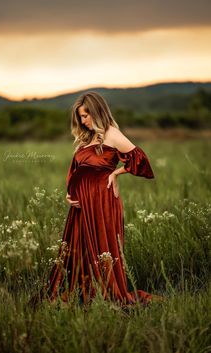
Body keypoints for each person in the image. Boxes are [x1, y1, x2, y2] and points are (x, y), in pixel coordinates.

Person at [30, 91, 164, 309]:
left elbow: (140, 160)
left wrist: (116, 174)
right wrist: (69, 194)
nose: (83, 121)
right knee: (78, 248)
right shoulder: (87, 137)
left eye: (86, 115)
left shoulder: (111, 133)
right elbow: (77, 170)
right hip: (80, 206)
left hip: (101, 200)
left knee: (101, 246)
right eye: (81, 117)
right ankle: (82, 294)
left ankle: (107, 296)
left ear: (97, 111)